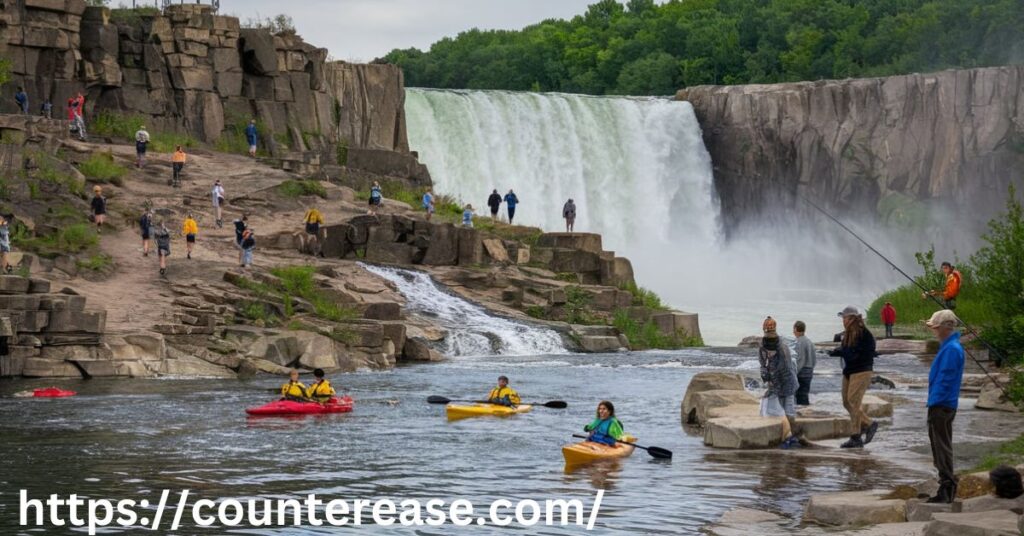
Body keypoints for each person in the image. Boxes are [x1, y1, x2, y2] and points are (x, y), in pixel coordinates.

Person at [924, 309, 965, 504]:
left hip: (941, 404)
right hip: (944, 403)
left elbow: (945, 381)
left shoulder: (951, 349)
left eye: (935, 327)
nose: (933, 330)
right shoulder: (951, 346)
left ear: (944, 328)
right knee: (941, 444)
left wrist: (934, 402)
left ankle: (947, 487)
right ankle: (946, 485)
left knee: (940, 446)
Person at [829, 306, 878, 449]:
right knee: (846, 402)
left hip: (861, 371)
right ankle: (858, 433)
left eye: (844, 318)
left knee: (853, 402)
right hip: (849, 371)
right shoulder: (848, 333)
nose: (843, 321)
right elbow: (848, 351)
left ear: (852, 319)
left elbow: (854, 354)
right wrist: (836, 351)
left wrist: (842, 351)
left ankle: (866, 427)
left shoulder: (863, 333)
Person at [759, 317, 801, 448]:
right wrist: (765, 377)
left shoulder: (783, 348)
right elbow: (763, 365)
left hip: (787, 382)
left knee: (788, 410)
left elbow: (785, 370)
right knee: (780, 410)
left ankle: (792, 438)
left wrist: (773, 387)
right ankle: (788, 437)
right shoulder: (763, 346)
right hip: (776, 383)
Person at [793, 320, 816, 406]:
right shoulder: (809, 342)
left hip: (801, 372)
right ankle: (806, 411)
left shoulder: (799, 342)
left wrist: (794, 372)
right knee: (804, 394)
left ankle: (801, 415)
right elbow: (814, 360)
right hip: (809, 371)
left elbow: (800, 360)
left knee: (800, 395)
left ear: (795, 329)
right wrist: (811, 369)